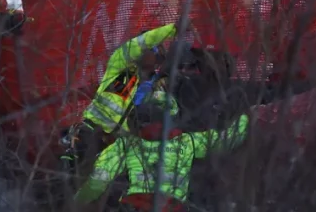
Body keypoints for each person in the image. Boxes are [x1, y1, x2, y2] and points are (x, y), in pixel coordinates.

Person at [73, 90, 249, 212]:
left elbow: (96, 183)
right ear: (173, 116)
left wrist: (73, 203)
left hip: (133, 207)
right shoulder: (188, 142)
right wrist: (247, 117)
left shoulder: (125, 145)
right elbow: (227, 141)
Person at [62, 23, 179, 172]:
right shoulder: (119, 67)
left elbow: (169, 113)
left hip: (121, 143)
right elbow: (136, 45)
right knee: (73, 169)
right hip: (92, 130)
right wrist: (173, 29)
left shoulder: (157, 83)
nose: (145, 53)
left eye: (151, 50)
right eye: (146, 49)